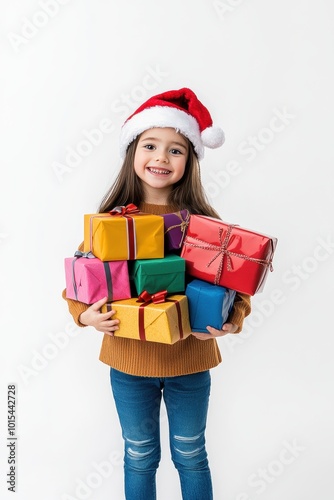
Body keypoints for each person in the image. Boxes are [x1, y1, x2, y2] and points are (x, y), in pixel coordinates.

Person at [62, 88, 251, 500]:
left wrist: (229, 322)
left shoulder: (203, 224)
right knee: (140, 454)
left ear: (191, 161)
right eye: (150, 145)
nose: (161, 158)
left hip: (189, 361)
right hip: (129, 364)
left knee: (190, 453)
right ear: (132, 152)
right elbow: (77, 283)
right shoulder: (110, 222)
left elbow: (238, 290)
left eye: (176, 150)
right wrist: (84, 316)